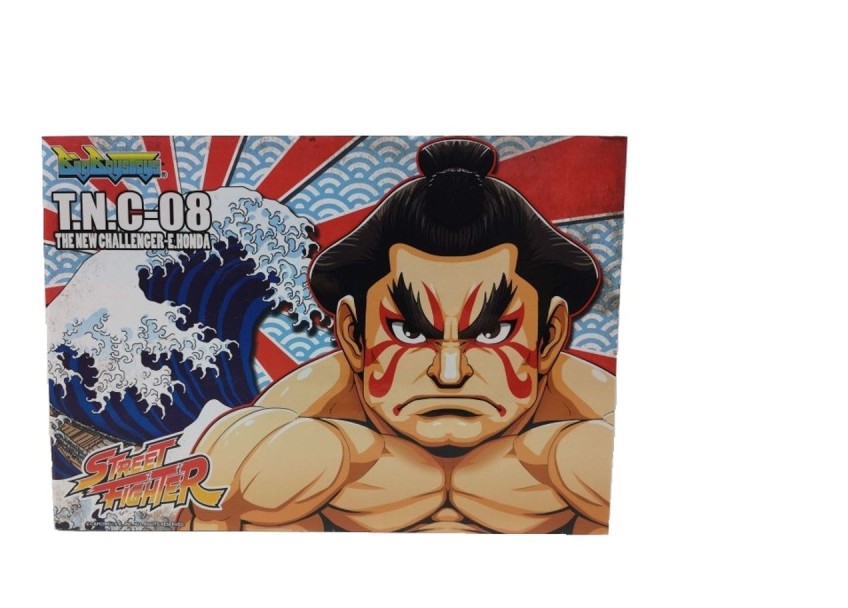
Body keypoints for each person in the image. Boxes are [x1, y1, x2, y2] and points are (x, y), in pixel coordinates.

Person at [181, 138, 615, 533]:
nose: (449, 374)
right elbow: (211, 499)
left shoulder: (596, 424)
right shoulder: (294, 425)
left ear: (549, 338)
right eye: (408, 331)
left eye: (492, 332)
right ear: (353, 336)